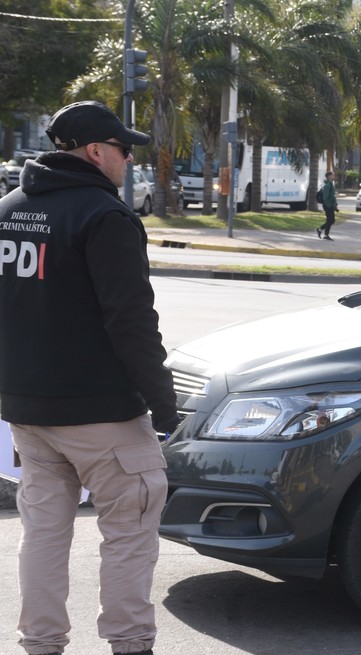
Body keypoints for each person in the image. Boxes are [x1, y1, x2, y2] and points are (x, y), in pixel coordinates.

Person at [0, 100, 178, 655]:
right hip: (102, 414)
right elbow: (131, 322)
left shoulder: (7, 208)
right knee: (130, 526)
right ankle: (129, 645)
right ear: (96, 151)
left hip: (28, 410)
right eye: (124, 151)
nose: (129, 161)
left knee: (44, 533)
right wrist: (165, 404)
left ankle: (40, 644)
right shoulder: (105, 216)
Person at [316, 170, 338, 240]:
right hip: (328, 206)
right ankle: (325, 234)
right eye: (332, 175)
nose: (334, 176)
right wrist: (329, 205)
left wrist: (335, 206)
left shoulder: (331, 184)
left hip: (331, 205)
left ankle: (321, 230)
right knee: (330, 220)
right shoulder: (327, 185)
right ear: (329, 176)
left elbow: (332, 196)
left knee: (331, 220)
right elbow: (325, 197)